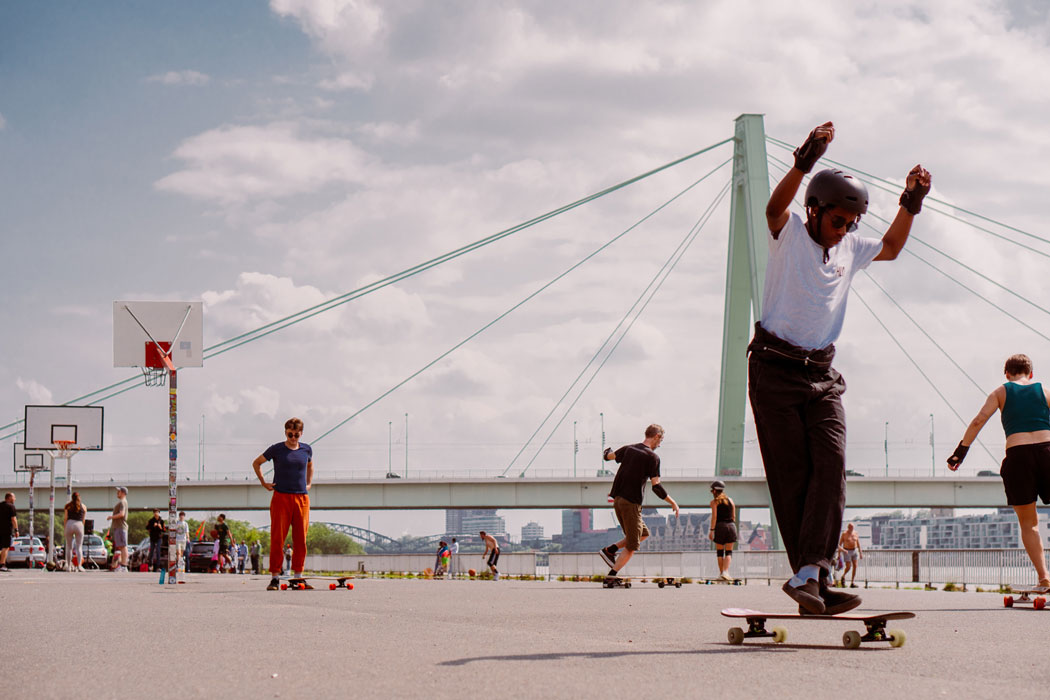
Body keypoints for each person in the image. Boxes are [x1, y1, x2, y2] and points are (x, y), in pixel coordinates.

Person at [749, 121, 930, 614]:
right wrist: (803, 163)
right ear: (815, 211)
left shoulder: (851, 247)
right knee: (793, 476)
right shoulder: (789, 235)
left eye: (853, 222)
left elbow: (891, 247)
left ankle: (813, 574)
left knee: (830, 466)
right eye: (839, 220)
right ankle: (810, 577)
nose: (847, 229)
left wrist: (909, 204)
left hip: (822, 374)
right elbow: (772, 208)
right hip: (774, 368)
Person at [947, 353, 1050, 590]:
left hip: (1018, 457)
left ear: (1007, 374)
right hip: (1048, 452)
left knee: (1029, 524)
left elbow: (978, 421)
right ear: (1031, 373)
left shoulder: (1000, 392)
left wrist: (959, 453)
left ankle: (1044, 579)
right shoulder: (1044, 390)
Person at [598, 424, 679, 579]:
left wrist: (607, 451)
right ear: (656, 436)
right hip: (631, 503)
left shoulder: (629, 449)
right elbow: (656, 486)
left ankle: (610, 550)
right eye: (660, 440)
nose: (660, 445)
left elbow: (608, 457)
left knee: (643, 533)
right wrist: (672, 502)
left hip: (618, 500)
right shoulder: (653, 457)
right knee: (632, 545)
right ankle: (612, 577)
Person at [252, 417, 314, 591]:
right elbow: (256, 463)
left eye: (296, 435)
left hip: (302, 498)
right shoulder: (277, 449)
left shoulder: (307, 449)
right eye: (290, 434)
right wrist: (264, 482)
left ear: (301, 434)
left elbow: (310, 466)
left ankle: (297, 576)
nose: (293, 438)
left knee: (301, 539)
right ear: (285, 432)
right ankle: (275, 577)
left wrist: (309, 484)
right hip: (281, 497)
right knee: (278, 538)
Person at [708, 481, 737, 582]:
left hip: (720, 527)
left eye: (712, 490)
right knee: (729, 552)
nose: (712, 492)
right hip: (731, 526)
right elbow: (733, 516)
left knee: (720, 552)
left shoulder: (714, 502)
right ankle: (725, 572)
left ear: (715, 491)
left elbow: (714, 517)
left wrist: (712, 530)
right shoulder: (731, 500)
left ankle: (721, 574)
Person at [106, 487, 130, 572]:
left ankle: (124, 566)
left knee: (123, 547)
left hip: (121, 526)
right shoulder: (122, 502)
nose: (117, 493)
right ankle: (123, 565)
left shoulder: (123, 502)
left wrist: (111, 517)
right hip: (118, 527)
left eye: (119, 491)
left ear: (123, 493)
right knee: (121, 546)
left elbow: (122, 514)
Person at [64, 492, 87, 572]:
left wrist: (65, 528)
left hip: (69, 524)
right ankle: (79, 566)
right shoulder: (83, 507)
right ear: (79, 498)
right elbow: (83, 520)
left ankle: (69, 566)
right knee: (79, 547)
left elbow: (65, 518)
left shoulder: (68, 506)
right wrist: (81, 527)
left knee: (69, 547)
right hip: (79, 524)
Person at [838, 523, 863, 588]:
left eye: (852, 527)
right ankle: (843, 576)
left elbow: (858, 543)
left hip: (854, 550)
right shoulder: (844, 534)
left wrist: (860, 552)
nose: (851, 529)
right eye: (850, 527)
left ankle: (852, 582)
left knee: (855, 566)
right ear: (848, 527)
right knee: (848, 566)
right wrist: (839, 554)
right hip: (847, 551)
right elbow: (839, 544)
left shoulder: (855, 533)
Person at [0, 493, 18, 572]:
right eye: (14, 497)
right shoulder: (11, 506)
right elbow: (13, 519)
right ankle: (2, 565)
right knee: (5, 547)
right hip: (6, 530)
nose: (15, 499)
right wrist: (16, 530)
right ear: (9, 497)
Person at [175, 511, 190, 580]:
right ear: (179, 516)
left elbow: (187, 532)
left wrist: (188, 538)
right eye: (180, 515)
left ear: (184, 516)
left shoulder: (185, 524)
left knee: (181, 554)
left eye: (183, 515)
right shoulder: (177, 523)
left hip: (183, 540)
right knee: (178, 553)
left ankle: (180, 565)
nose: (181, 517)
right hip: (177, 539)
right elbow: (174, 531)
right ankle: (178, 565)